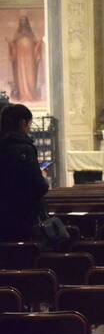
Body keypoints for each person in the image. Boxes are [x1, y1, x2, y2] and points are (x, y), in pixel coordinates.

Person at [0, 104, 48, 242]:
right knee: (25, 257)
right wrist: (43, 178)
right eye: (29, 124)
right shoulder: (25, 149)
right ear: (23, 123)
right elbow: (39, 187)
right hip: (24, 218)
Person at [7, 16, 43, 102]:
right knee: (21, 77)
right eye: (21, 22)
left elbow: (36, 48)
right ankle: (22, 95)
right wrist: (10, 43)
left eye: (24, 22)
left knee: (30, 77)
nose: (23, 24)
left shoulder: (31, 35)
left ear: (27, 23)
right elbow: (13, 48)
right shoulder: (17, 35)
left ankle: (30, 95)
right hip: (20, 60)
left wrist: (39, 43)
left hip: (30, 60)